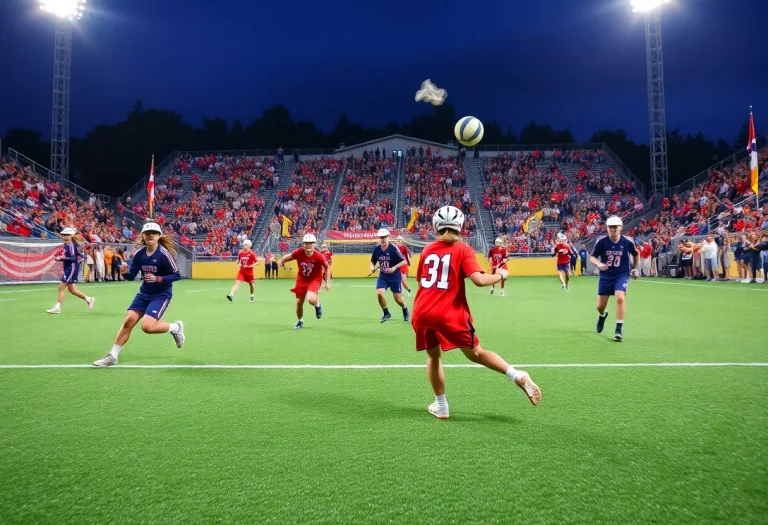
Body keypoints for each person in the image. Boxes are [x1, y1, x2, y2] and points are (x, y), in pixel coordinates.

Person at [411, 205, 541, 420]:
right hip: (449, 314)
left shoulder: (426, 250)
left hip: (422, 312)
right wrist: (501, 275)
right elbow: (479, 280)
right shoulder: (463, 249)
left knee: (433, 357)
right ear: (460, 227)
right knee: (477, 354)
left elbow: (422, 281)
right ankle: (516, 374)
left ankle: (442, 406)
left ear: (436, 226)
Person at [92, 222, 185, 367]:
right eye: (147, 233)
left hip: (161, 294)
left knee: (147, 327)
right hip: (144, 293)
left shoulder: (164, 254)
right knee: (129, 321)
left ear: (159, 236)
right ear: (143, 235)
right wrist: (124, 273)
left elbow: (177, 275)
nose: (150, 235)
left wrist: (158, 279)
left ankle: (176, 328)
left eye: (154, 233)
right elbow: (131, 276)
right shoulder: (139, 254)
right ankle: (113, 356)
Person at [589, 216, 639, 341]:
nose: (613, 229)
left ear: (620, 227)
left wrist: (635, 268)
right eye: (610, 227)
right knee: (600, 306)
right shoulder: (601, 241)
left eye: (615, 227)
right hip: (606, 276)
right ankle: (602, 315)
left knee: (620, 298)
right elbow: (593, 257)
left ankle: (618, 328)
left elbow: (636, 254)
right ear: (607, 228)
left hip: (621, 274)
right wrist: (599, 264)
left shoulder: (627, 241)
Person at [278, 234, 330, 330]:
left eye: (311, 243)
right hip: (301, 279)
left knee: (310, 299)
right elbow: (288, 257)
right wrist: (281, 260)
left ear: (314, 244)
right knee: (298, 302)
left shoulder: (319, 256)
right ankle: (300, 321)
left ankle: (318, 305)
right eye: (306, 243)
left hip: (314, 280)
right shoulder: (299, 252)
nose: (308, 246)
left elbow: (327, 267)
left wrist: (327, 282)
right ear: (303, 244)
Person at [46, 227, 95, 314]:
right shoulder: (67, 244)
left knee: (61, 287)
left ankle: (57, 307)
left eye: (67, 235)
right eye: (64, 235)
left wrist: (61, 258)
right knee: (72, 289)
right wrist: (61, 258)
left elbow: (72, 258)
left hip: (71, 268)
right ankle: (88, 299)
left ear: (71, 236)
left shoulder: (71, 245)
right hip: (70, 267)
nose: (64, 236)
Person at [370, 228, 408, 323]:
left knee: (398, 299)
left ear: (389, 237)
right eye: (381, 237)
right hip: (383, 276)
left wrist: (394, 267)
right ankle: (386, 313)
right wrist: (372, 267)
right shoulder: (377, 250)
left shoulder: (394, 248)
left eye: (385, 237)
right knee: (379, 293)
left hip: (395, 276)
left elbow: (404, 261)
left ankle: (405, 309)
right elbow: (372, 261)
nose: (383, 239)